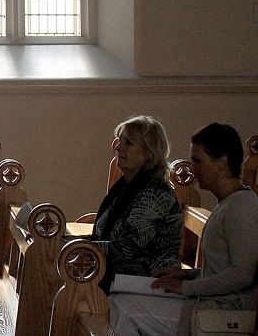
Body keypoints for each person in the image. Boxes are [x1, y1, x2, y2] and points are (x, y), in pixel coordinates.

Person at [111, 123, 258, 336]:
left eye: (198, 160)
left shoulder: (242, 206)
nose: (192, 168)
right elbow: (224, 266)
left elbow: (242, 275)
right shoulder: (228, 203)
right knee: (120, 299)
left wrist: (185, 287)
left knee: (126, 310)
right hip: (207, 300)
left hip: (222, 313)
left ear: (222, 162)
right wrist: (187, 275)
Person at [91, 116, 182, 292]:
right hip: (121, 279)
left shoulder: (156, 194)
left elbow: (127, 248)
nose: (118, 147)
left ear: (149, 152)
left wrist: (77, 247)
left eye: (128, 143)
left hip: (147, 285)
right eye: (119, 141)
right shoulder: (127, 186)